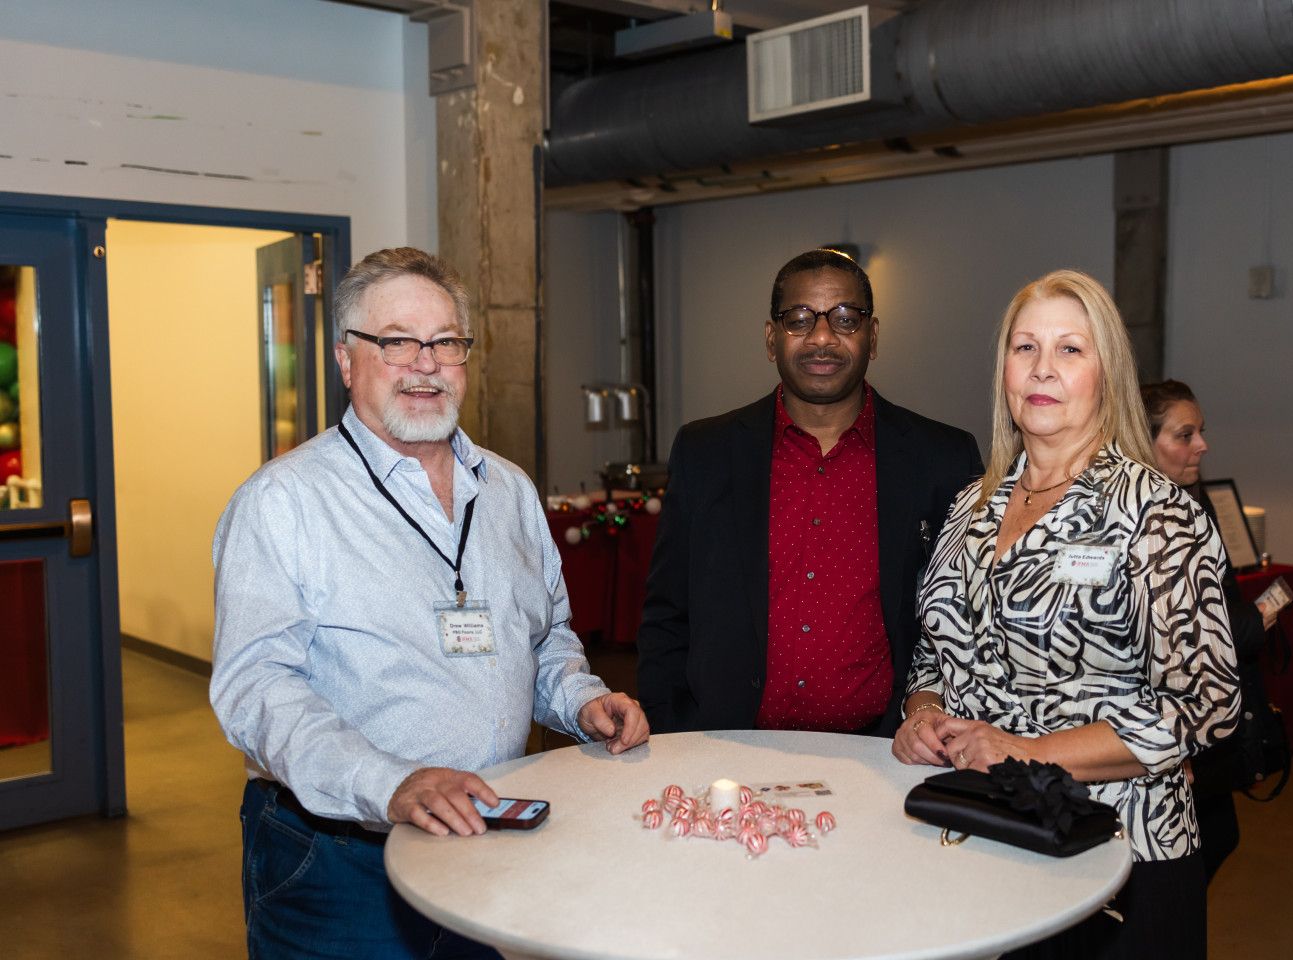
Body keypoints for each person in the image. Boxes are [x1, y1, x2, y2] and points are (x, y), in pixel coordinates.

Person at [210, 247, 649, 960]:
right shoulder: (282, 503)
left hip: (486, 835)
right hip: (338, 864)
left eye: (445, 342)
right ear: (346, 360)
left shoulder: (506, 490)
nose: (426, 363)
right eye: (397, 341)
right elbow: (256, 690)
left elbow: (546, 637)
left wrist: (580, 700)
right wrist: (391, 784)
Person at [893, 270, 1239, 959]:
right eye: (1025, 348)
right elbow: (936, 651)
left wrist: (1024, 753)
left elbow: (1204, 705)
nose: (1042, 369)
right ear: (1003, 371)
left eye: (1070, 350)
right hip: (980, 837)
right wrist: (922, 713)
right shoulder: (971, 506)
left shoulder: (1156, 513)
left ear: (1106, 372)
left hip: (1118, 855)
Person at [637, 248, 983, 738]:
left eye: (845, 318)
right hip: (727, 751)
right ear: (770, 338)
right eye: (799, 319)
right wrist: (669, 729)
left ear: (873, 336)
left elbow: (965, 622)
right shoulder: (706, 452)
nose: (822, 338)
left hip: (888, 755)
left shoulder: (943, 459)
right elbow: (667, 614)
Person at [1142, 378, 1276, 884]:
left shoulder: (1193, 507)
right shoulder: (1148, 522)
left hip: (1206, 723)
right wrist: (1252, 623)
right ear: (1143, 439)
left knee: (1216, 838)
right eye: (1185, 434)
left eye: (1200, 432)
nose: (1202, 445)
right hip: (1175, 729)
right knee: (1195, 851)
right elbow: (1191, 630)